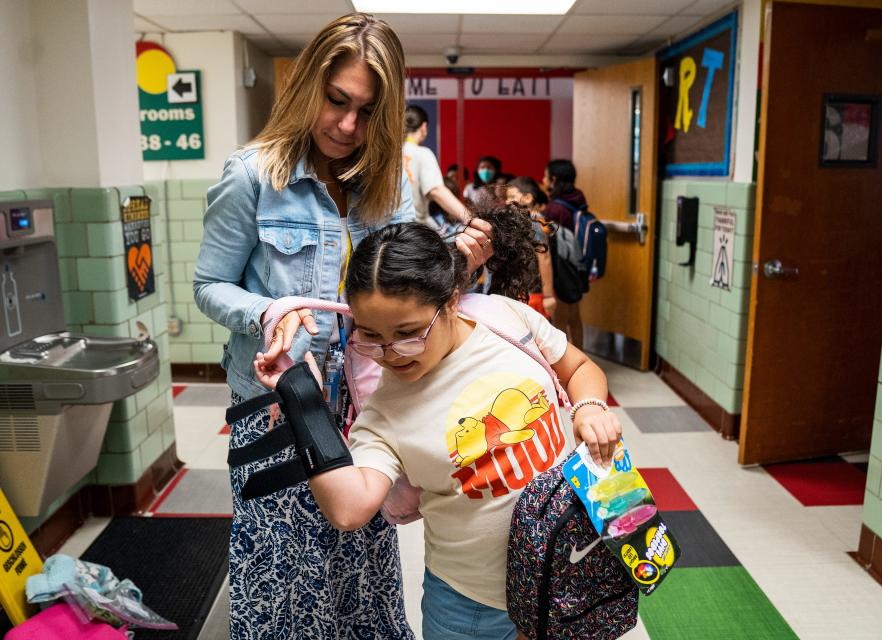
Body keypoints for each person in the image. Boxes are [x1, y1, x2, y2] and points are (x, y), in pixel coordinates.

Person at [193, 13, 493, 639]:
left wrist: (458, 257)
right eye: (337, 101)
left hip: (367, 414)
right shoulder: (253, 174)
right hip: (278, 411)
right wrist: (267, 310)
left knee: (360, 583)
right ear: (309, 85)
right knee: (285, 593)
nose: (348, 126)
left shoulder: (387, 184)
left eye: (367, 111)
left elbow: (409, 281)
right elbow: (208, 285)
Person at [254, 208, 622, 640]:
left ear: (449, 301)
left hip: (567, 573)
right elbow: (350, 510)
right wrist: (303, 402)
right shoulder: (385, 409)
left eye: (409, 332)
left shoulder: (504, 319)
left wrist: (590, 407)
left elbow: (578, 368)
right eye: (371, 336)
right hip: (474, 606)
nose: (392, 353)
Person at [541, 159, 587, 348]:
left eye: (545, 176)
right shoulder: (578, 199)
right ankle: (582, 355)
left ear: (554, 179)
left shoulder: (555, 208)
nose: (543, 180)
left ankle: (568, 367)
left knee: (560, 320)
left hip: (561, 266)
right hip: (576, 264)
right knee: (575, 315)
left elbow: (549, 240)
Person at [403, 105, 471, 228]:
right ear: (423, 127)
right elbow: (435, 191)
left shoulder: (387, 154)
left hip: (381, 232)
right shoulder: (422, 153)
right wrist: (469, 218)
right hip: (410, 232)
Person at [505, 176, 557, 319]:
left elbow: (544, 258)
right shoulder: (522, 222)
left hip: (535, 293)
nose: (507, 201)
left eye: (511, 197)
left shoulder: (535, 223)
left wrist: (548, 295)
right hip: (523, 292)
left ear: (528, 198)